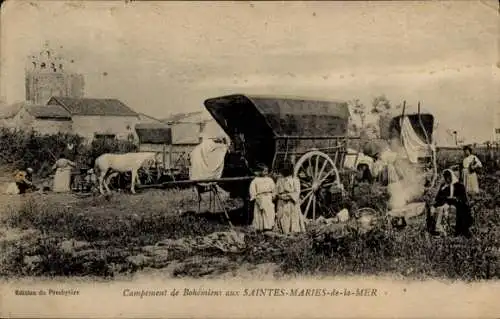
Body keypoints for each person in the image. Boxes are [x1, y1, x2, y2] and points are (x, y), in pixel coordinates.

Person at [431, 169, 472, 237]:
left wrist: (456, 198)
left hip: (457, 204)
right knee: (440, 209)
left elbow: (463, 198)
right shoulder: (444, 186)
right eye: (446, 178)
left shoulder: (459, 186)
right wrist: (443, 192)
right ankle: (440, 230)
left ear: (451, 177)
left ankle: (454, 230)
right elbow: (438, 197)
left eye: (448, 178)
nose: (447, 180)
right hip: (445, 202)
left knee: (457, 210)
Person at [274, 164, 306, 234]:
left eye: (282, 172)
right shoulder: (279, 180)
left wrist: (289, 196)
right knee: (282, 216)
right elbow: (276, 190)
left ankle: (293, 230)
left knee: (293, 216)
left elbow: (297, 192)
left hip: (291, 202)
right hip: (282, 202)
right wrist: (277, 195)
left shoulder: (295, 180)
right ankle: (283, 230)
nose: (281, 174)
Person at [248, 163, 276, 232]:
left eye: (267, 171)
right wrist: (254, 197)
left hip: (268, 197)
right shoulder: (255, 181)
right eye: (264, 171)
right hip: (260, 198)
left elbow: (273, 188)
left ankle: (268, 226)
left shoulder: (269, 180)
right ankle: (260, 227)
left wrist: (273, 195)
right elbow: (252, 190)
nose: (266, 173)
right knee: (259, 213)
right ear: (259, 171)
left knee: (269, 212)